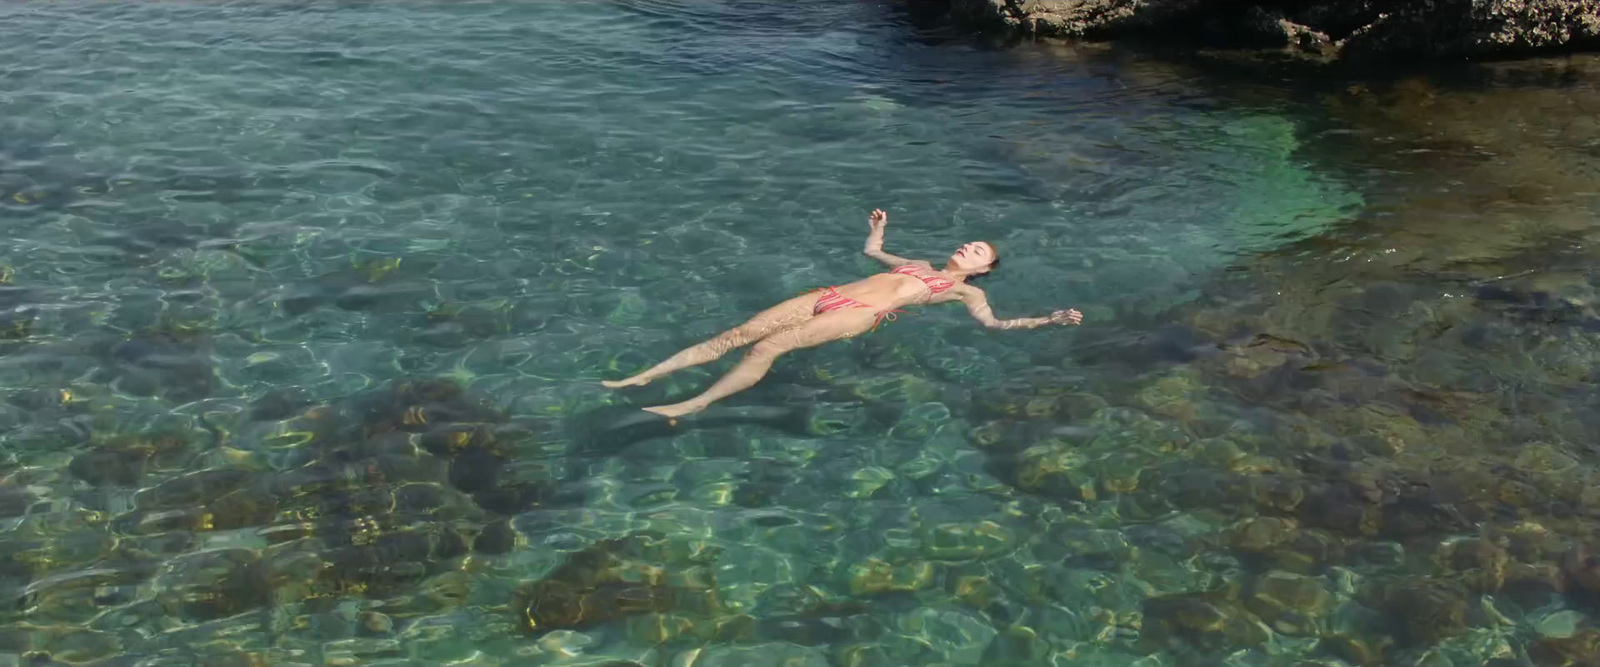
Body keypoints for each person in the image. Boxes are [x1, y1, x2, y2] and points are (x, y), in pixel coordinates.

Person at [603, 208, 1084, 418]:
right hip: (828, 293)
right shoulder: (916, 263)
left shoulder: (963, 293)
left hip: (860, 313)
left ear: (983, 269)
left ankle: (696, 403)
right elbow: (874, 254)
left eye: (977, 249)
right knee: (739, 333)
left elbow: (996, 325)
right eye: (968, 241)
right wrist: (877, 229)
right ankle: (646, 376)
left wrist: (1047, 320)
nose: (967, 246)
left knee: (769, 346)